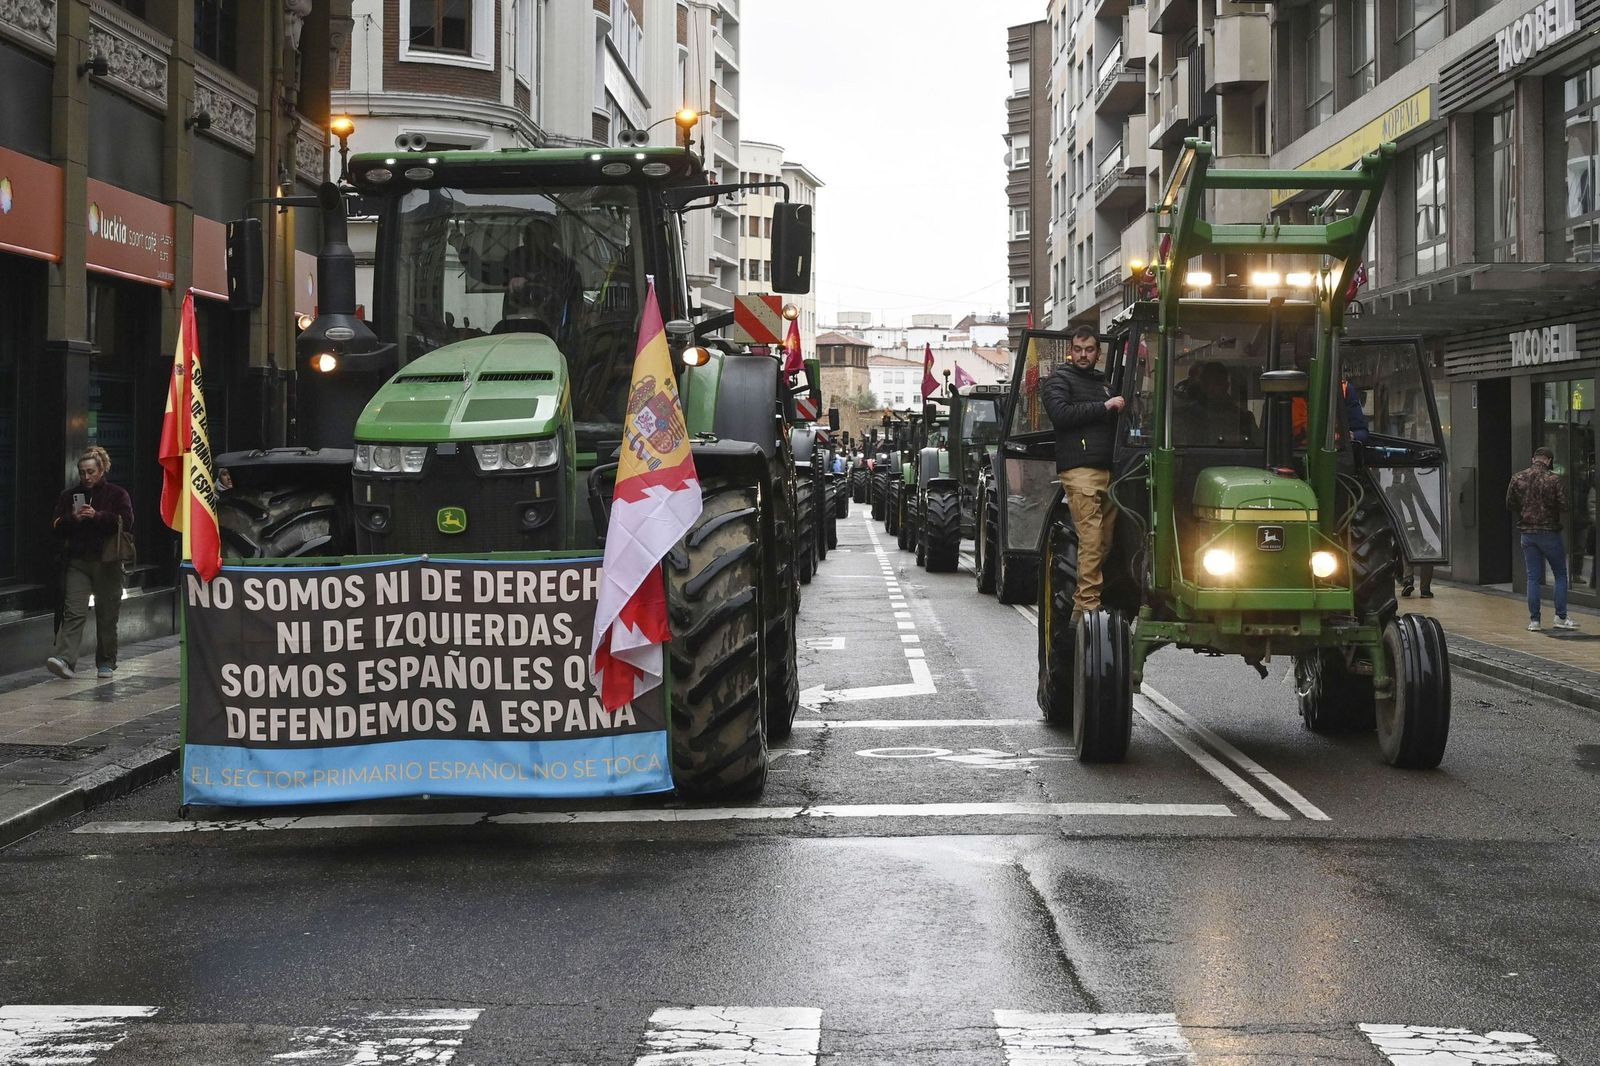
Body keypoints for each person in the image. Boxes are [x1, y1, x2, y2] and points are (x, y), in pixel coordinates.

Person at [1042, 325, 1123, 621]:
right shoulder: (1058, 381)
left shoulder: (1104, 384)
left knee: (1105, 541)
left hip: (1107, 471)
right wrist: (1104, 407)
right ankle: (1086, 607)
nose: (1083, 355)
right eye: (1078, 349)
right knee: (1090, 539)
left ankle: (1085, 604)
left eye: (1089, 350)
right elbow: (1061, 415)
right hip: (1080, 471)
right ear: (1070, 350)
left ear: (1098, 352)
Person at [46, 446, 134, 679]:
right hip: (77, 561)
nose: (86, 477)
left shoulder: (117, 494)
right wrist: (71, 519)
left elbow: (126, 521)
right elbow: (55, 524)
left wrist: (97, 516)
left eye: (91, 471)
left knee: (107, 614)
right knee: (73, 610)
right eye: (82, 472)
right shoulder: (69, 495)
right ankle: (66, 659)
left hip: (107, 561)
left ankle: (106, 661)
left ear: (102, 470)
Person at [1507, 446, 1578, 632]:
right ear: (1548, 460)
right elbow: (1564, 505)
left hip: (1527, 534)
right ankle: (1560, 617)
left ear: (1533, 459)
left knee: (1533, 578)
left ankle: (1535, 621)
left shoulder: (1517, 478)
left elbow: (1510, 503)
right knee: (1560, 574)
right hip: (1549, 532)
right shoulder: (1554, 479)